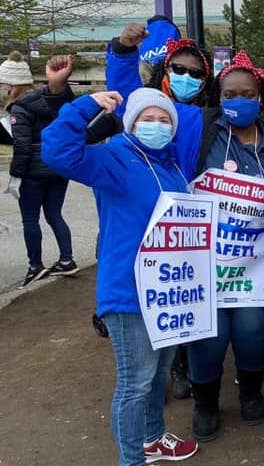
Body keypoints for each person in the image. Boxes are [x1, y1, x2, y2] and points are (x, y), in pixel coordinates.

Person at [41, 87, 199, 466]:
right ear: (131, 123)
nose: (157, 126)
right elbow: (58, 151)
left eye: (164, 121)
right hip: (128, 292)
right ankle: (132, 460)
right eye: (148, 119)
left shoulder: (172, 166)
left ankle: (153, 437)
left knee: (157, 373)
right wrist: (84, 106)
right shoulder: (115, 157)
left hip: (169, 293)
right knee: (135, 382)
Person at [184, 50, 264, 442]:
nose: (238, 100)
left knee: (253, 335)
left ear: (260, 98)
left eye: (247, 94)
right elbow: (147, 105)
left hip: (254, 269)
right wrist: (123, 55)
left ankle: (251, 392)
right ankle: (205, 402)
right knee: (209, 339)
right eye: (229, 94)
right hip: (203, 264)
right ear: (219, 99)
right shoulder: (199, 134)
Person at [108, 25, 217, 401]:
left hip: (187, 219)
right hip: (141, 214)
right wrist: (123, 49)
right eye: (179, 69)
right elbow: (121, 90)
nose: (187, 78)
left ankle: (179, 364)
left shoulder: (204, 116)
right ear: (165, 69)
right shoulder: (144, 104)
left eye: (196, 73)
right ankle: (159, 368)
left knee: (181, 290)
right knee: (143, 289)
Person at [8, 54, 79, 289]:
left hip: (34, 171)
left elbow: (22, 145)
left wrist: (16, 175)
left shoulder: (19, 108)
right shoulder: (48, 100)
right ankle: (67, 259)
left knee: (30, 218)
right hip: (58, 166)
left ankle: (35, 265)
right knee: (54, 214)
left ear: (11, 85)